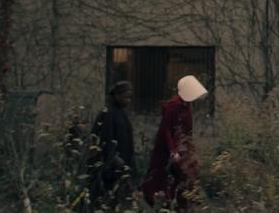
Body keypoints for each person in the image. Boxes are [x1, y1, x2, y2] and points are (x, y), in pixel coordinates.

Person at [141, 75, 208, 210]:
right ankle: (163, 202)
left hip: (183, 148)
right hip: (169, 150)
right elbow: (166, 131)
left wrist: (190, 149)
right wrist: (173, 150)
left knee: (187, 177)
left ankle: (184, 204)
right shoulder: (173, 107)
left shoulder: (187, 106)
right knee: (164, 178)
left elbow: (188, 131)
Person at [87, 81, 137, 211]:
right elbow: (106, 139)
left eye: (130, 97)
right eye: (126, 97)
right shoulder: (109, 114)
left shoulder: (122, 113)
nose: (129, 100)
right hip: (112, 166)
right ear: (117, 96)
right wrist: (113, 158)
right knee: (107, 197)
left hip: (123, 162)